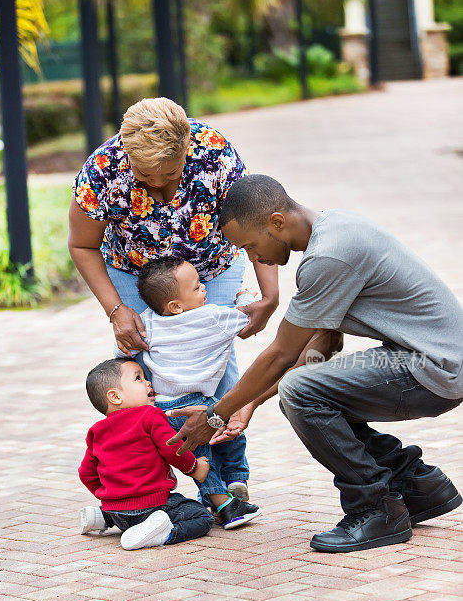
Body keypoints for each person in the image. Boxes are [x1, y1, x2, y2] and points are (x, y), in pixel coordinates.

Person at [165, 175, 463, 553]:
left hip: (434, 368)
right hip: (428, 359)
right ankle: (417, 486)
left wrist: (214, 416)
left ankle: (376, 508)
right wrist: (248, 403)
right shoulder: (335, 227)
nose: (254, 259)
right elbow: (323, 341)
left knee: (299, 389)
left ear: (276, 222)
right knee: (307, 387)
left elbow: (281, 354)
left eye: (251, 247)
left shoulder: (328, 256)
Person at [68, 97, 279, 406]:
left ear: (186, 148)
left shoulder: (213, 153)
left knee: (213, 356)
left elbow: (255, 221)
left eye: (169, 174)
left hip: (211, 267)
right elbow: (82, 244)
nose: (156, 183)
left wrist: (270, 296)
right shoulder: (102, 170)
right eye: (144, 175)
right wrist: (116, 310)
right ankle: (157, 453)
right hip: (133, 272)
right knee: (143, 370)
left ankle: (228, 453)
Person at [119, 256, 261, 529]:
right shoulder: (214, 317)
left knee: (199, 458)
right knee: (229, 433)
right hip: (199, 403)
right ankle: (231, 493)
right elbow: (248, 318)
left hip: (164, 408)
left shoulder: (147, 323)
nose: (204, 288)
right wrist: (244, 296)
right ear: (175, 306)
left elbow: (123, 350)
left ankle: (224, 495)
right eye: (196, 287)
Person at [78, 358, 214, 550]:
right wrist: (195, 468)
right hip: (151, 507)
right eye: (138, 378)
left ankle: (102, 517)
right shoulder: (149, 416)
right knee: (201, 516)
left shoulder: (96, 431)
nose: (148, 382)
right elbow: (172, 448)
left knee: (122, 512)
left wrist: (109, 498)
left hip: (117, 511)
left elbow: (86, 473)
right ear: (115, 396)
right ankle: (163, 534)